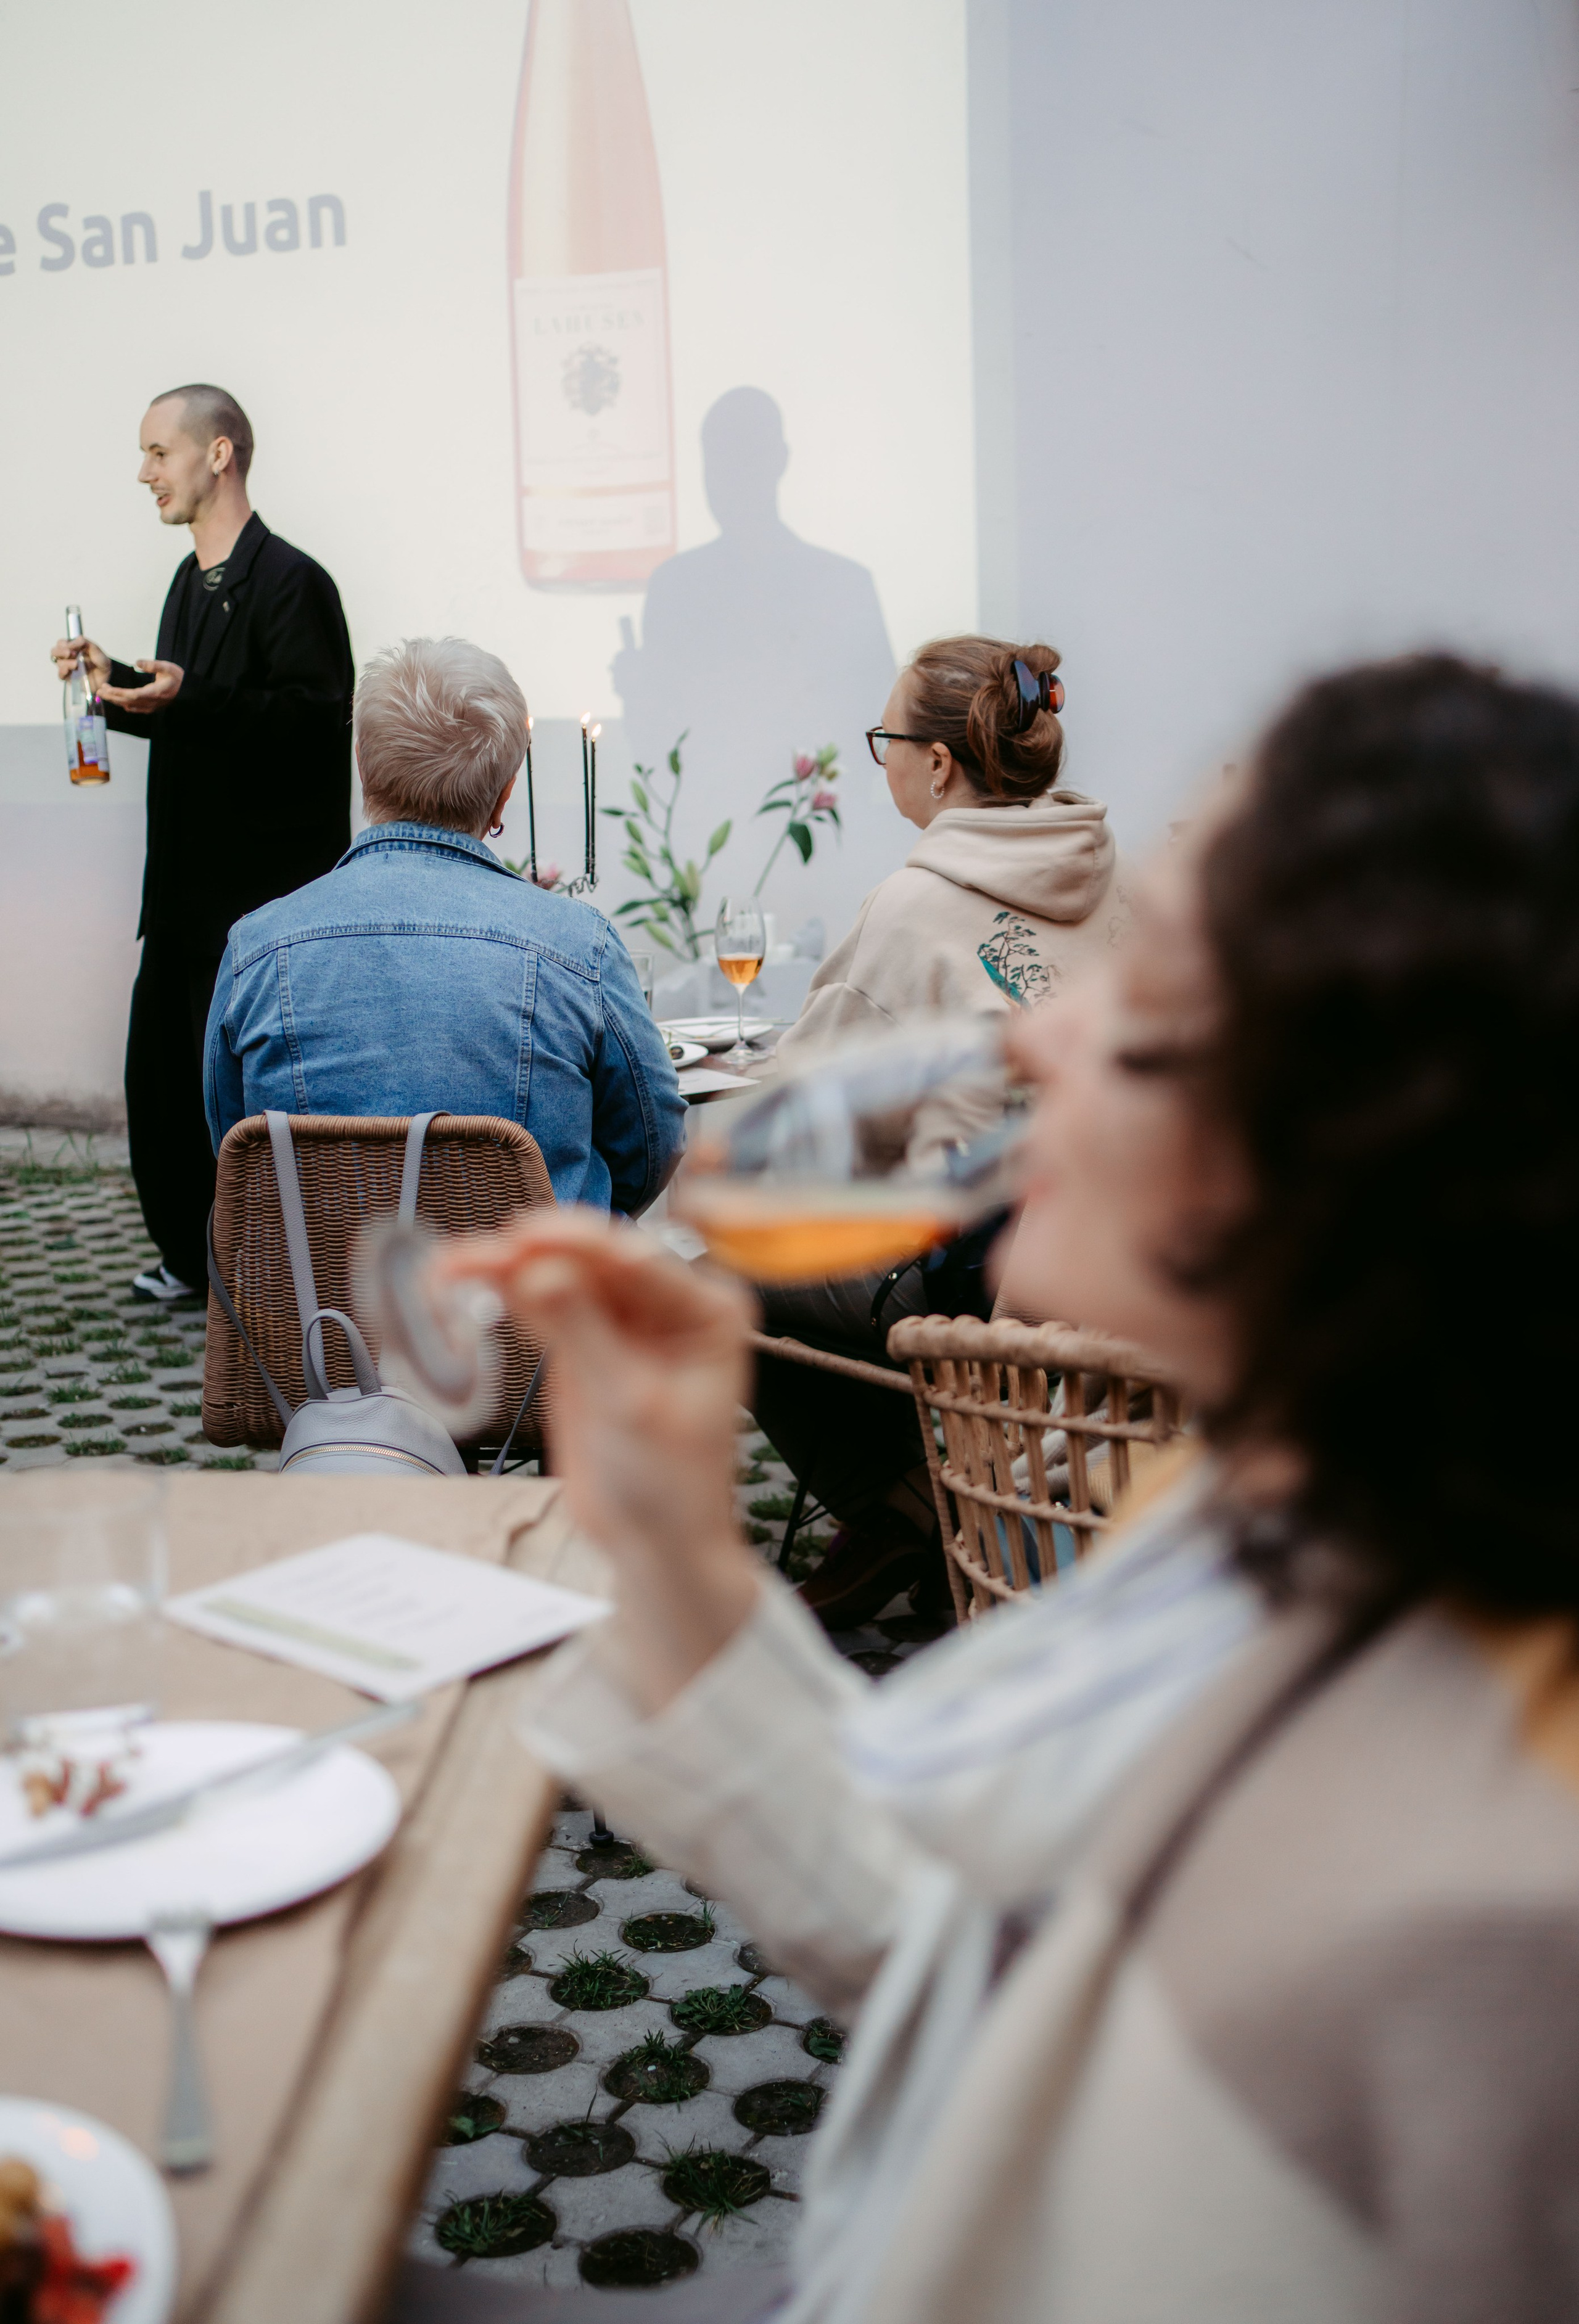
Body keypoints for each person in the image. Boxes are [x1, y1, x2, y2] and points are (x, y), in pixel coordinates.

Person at [421, 654, 1579, 2324]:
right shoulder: (1267, 1509)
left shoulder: (1486, 1936)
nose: (1042, 1031)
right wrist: (676, 1542)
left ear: (1361, 1155)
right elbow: (970, 1942)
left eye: (1154, 1004)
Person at [759, 634, 1132, 1626]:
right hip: (1107, 1275)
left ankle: (913, 1508)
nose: (880, 758)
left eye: (887, 738)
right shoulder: (1114, 882)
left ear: (937, 762)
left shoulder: (915, 906)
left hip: (985, 1272)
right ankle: (939, 1498)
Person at [49, 384, 353, 1303]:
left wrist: (186, 698)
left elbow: (310, 723)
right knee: (165, 1092)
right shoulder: (189, 582)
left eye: (158, 453)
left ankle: (274, 1275)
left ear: (218, 454)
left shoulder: (296, 582)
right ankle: (194, 1259)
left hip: (255, 903)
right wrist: (116, 688)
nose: (145, 473)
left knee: (249, 1105)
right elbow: (193, 710)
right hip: (181, 897)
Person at [204, 637, 686, 1216]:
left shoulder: (256, 949)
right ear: (506, 794)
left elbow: (234, 1152)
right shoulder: (578, 946)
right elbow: (653, 1142)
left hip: (313, 1305)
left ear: (362, 764)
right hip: (538, 1297)